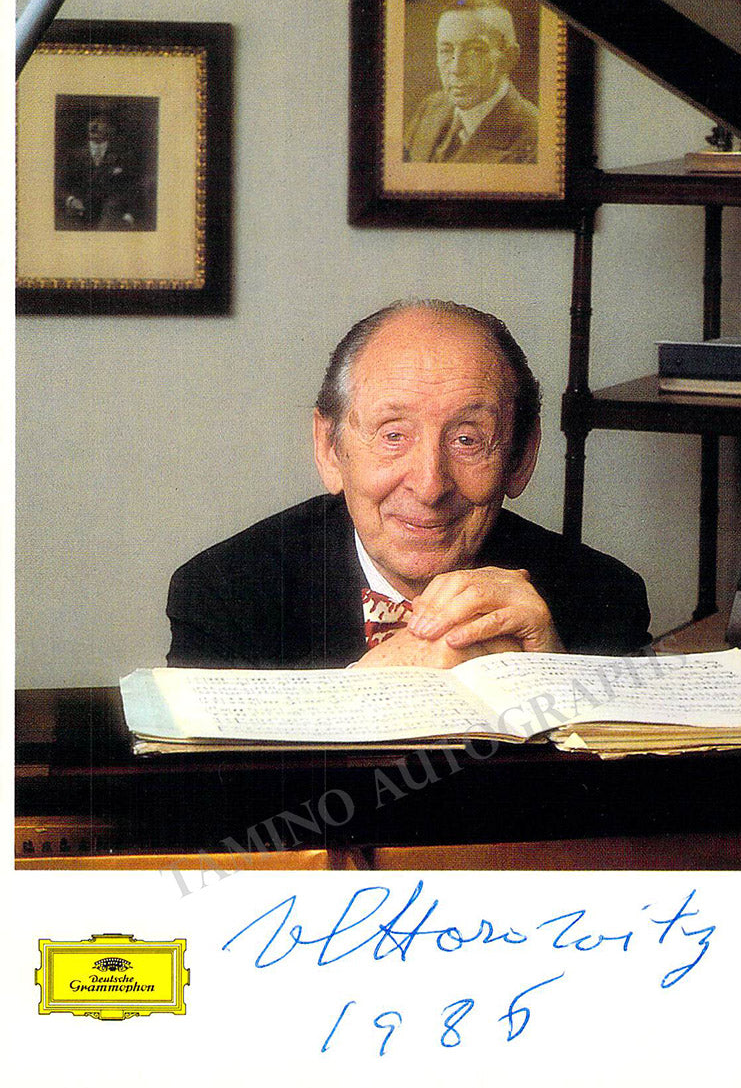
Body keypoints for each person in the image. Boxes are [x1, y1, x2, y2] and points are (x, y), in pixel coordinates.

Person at [166, 300, 650, 670]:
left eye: (466, 439)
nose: (429, 485)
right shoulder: (225, 594)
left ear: (521, 458)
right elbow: (218, 777)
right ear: (330, 449)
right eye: (393, 436)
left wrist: (557, 678)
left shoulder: (605, 597)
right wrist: (369, 686)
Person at [403, 0, 539, 164]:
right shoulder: (429, 108)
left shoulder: (536, 138)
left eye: (475, 51)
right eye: (446, 50)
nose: (456, 69)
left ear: (509, 57)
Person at [55, 112, 143, 231]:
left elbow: (134, 187)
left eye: (100, 122)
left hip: (112, 214)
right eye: (92, 122)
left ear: (110, 129)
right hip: (79, 213)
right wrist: (71, 200)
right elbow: (60, 186)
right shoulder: (74, 155)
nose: (95, 126)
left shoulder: (123, 155)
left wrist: (130, 215)